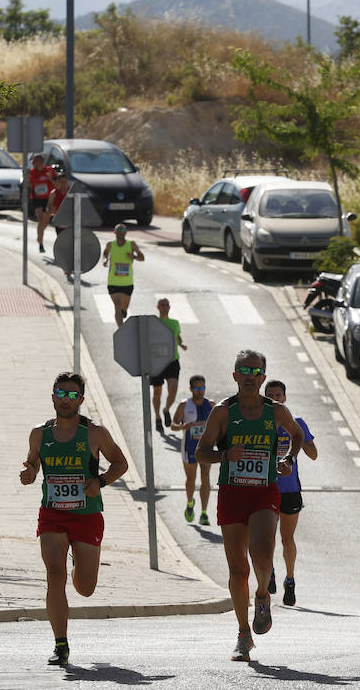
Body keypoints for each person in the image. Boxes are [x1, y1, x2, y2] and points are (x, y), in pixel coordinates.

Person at [195, 349, 304, 663]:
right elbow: (201, 452)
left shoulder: (276, 411)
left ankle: (262, 594)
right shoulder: (223, 412)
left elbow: (296, 435)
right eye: (245, 371)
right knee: (238, 569)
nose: (250, 377)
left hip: (264, 493)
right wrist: (225, 456)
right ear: (235, 375)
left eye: (256, 372)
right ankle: (244, 635)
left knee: (262, 553)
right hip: (232, 493)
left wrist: (288, 459)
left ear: (263, 377)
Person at [20, 371, 128, 667]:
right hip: (52, 513)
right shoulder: (39, 433)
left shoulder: (95, 433)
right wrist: (30, 473)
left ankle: (77, 559)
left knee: (85, 588)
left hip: (86, 515)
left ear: (80, 400)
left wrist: (101, 481)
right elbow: (32, 462)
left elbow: (121, 463)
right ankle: (61, 644)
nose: (65, 400)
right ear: (52, 396)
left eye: (71, 395)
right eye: (60, 393)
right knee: (55, 575)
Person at [264, 379, 317, 607]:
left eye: (278, 395)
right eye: (270, 395)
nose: (275, 399)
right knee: (266, 537)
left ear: (285, 398)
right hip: (265, 489)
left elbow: (314, 455)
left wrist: (299, 437)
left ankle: (290, 579)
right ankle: (270, 572)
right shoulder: (259, 423)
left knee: (287, 539)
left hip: (289, 489)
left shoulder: (296, 423)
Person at [171, 374, 214, 525]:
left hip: (206, 447)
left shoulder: (211, 405)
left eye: (202, 388)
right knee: (191, 479)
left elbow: (221, 423)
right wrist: (182, 427)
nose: (200, 391)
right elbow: (173, 425)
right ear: (190, 389)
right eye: (196, 388)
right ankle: (190, 503)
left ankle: (204, 513)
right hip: (189, 447)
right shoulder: (184, 405)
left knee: (205, 477)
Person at [150, 298, 187, 434]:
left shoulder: (175, 323)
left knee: (173, 390)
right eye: (162, 305)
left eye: (167, 305)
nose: (165, 307)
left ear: (169, 307)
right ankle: (157, 418)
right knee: (157, 392)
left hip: (172, 361)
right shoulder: (154, 323)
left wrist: (181, 344)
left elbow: (177, 336)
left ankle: (166, 409)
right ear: (158, 307)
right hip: (157, 361)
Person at [102, 223, 145, 326]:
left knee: (124, 307)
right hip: (113, 281)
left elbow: (142, 258)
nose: (120, 233)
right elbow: (105, 253)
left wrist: (134, 257)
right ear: (114, 232)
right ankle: (120, 330)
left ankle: (124, 310)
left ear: (126, 233)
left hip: (127, 283)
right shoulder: (110, 245)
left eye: (122, 231)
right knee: (117, 306)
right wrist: (105, 260)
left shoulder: (131, 244)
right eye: (118, 230)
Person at [28, 154, 58, 253]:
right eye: (32, 162)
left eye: (34, 162)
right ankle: (41, 243)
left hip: (48, 199)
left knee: (45, 221)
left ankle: (39, 235)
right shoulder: (32, 172)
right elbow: (29, 184)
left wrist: (50, 179)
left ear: (40, 162)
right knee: (40, 219)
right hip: (36, 198)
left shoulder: (49, 171)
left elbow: (57, 185)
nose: (33, 164)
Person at [47, 172, 72, 278]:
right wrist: (52, 211)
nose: (63, 184)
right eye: (61, 182)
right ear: (57, 182)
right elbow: (49, 208)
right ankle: (66, 266)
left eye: (65, 182)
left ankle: (68, 265)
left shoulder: (71, 192)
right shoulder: (53, 193)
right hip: (60, 223)